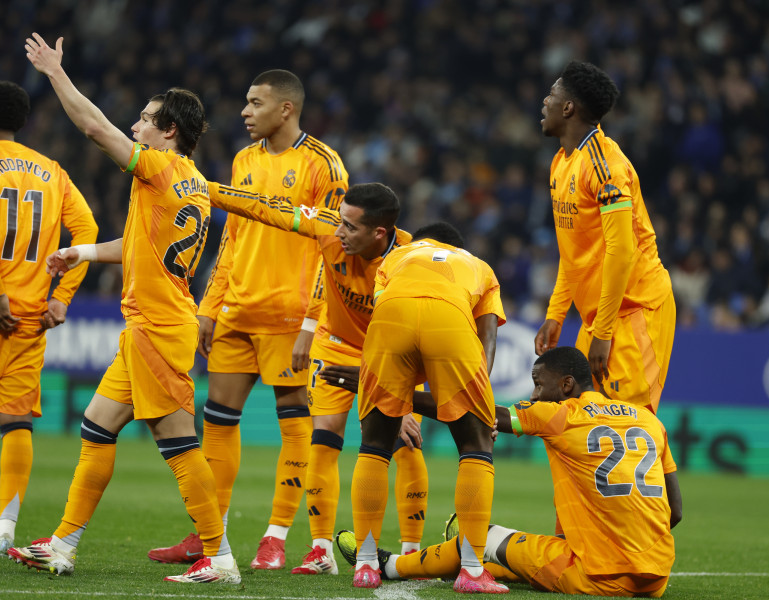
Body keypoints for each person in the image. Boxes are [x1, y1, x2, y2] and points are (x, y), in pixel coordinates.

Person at [8, 33, 239, 584]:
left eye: (144, 119)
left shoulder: (158, 168)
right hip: (151, 324)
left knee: (178, 443)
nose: (134, 126)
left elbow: (93, 127)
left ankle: (221, 557)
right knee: (96, 427)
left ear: (169, 132)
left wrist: (55, 74)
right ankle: (62, 544)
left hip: (158, 327)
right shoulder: (194, 185)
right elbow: (137, 244)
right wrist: (82, 251)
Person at [146, 69, 348, 571]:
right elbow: (232, 237)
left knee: (294, 423)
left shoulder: (325, 165)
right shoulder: (243, 159)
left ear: (286, 109)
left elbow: (335, 251)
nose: (243, 111)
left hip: (290, 316)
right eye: (245, 101)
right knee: (217, 420)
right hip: (237, 309)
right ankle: (205, 533)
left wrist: (311, 324)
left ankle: (275, 536)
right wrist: (211, 306)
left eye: (255, 103)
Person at [208, 181, 429, 575]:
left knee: (404, 443)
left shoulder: (411, 261)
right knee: (323, 441)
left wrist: (405, 401)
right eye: (339, 222)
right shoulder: (327, 226)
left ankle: (411, 549)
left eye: (350, 227)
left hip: (391, 354)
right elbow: (262, 206)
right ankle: (321, 550)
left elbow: (413, 335)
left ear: (380, 233)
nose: (338, 232)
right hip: (336, 344)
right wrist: (194, 184)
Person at [340, 346, 682, 597]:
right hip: (656, 579)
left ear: (565, 386)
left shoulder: (563, 416)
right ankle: (472, 562)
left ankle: (389, 565)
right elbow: (675, 513)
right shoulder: (649, 420)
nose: (533, 394)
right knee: (512, 559)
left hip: (597, 576)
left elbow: (480, 412)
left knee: (478, 539)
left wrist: (391, 391)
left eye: (537, 384)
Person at [339, 222, 506, 592]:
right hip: (450, 320)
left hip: (389, 320)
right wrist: (481, 400)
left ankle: (365, 565)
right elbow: (488, 334)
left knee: (374, 447)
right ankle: (472, 571)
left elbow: (389, 316)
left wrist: (395, 405)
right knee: (476, 448)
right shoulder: (480, 266)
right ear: (458, 245)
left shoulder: (397, 256)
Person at [534, 61, 676, 414]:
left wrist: (604, 332)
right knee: (586, 421)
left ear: (568, 108)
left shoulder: (605, 165)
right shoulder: (561, 163)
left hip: (636, 309)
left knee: (630, 426)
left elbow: (621, 252)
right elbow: (574, 252)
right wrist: (556, 314)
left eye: (551, 94)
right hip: (599, 317)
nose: (544, 102)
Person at [0, 81, 98, 554]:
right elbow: (88, 229)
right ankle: (5, 527)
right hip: (30, 316)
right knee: (15, 421)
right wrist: (63, 297)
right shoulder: (50, 171)